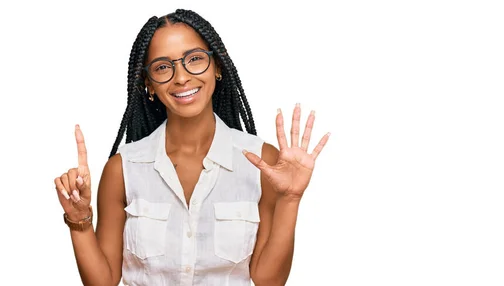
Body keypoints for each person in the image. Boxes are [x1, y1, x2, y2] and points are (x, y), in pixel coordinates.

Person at [53, 9, 330, 286]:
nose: (181, 77)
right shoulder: (122, 169)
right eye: (163, 67)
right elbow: (102, 281)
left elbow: (268, 280)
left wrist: (290, 200)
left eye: (194, 59)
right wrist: (79, 221)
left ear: (217, 66)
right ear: (149, 84)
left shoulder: (261, 161)